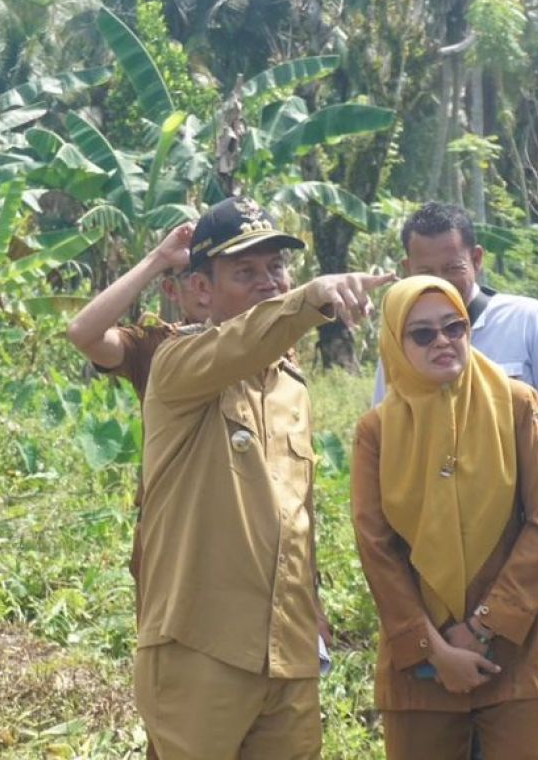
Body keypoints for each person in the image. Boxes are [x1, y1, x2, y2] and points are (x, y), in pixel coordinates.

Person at [134, 196, 392, 758]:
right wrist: (307, 300)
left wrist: (313, 608)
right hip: (202, 645)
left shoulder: (293, 386)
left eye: (276, 268)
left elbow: (295, 508)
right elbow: (241, 341)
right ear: (201, 289)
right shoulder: (179, 365)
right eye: (244, 271)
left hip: (290, 650)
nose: (267, 283)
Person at [353, 275, 538, 759]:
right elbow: (377, 546)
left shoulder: (518, 403)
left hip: (520, 646)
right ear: (395, 340)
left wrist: (481, 628)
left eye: (454, 327)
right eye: (423, 334)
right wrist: (434, 647)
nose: (444, 342)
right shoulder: (377, 430)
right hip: (420, 658)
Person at [371, 203, 538, 573]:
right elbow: (390, 438)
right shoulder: (400, 340)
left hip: (523, 529)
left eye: (453, 269)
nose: (441, 283)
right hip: (433, 534)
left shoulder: (527, 319)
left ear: (476, 259)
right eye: (426, 272)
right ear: (405, 271)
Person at [65, 222, 208, 760]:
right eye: (192, 280)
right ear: (176, 290)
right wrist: (154, 260)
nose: (203, 291)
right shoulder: (157, 348)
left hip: (249, 555)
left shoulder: (271, 346)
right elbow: (84, 332)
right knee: (177, 712)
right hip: (174, 555)